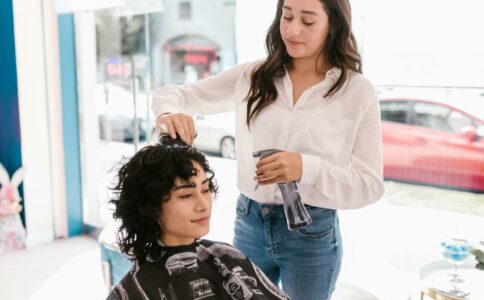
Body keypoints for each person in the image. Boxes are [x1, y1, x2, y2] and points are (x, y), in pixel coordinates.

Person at [152, 0, 385, 299]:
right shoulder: (253, 76)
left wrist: (305, 168)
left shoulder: (357, 91)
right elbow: (174, 95)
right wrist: (168, 113)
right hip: (249, 223)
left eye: (308, 21)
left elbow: (370, 185)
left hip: (311, 233)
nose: (292, 29)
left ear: (334, 25)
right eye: (286, 16)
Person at [106, 135, 290, 300]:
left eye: (205, 189)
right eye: (186, 195)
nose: (203, 205)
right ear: (151, 206)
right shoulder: (132, 291)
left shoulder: (225, 255)